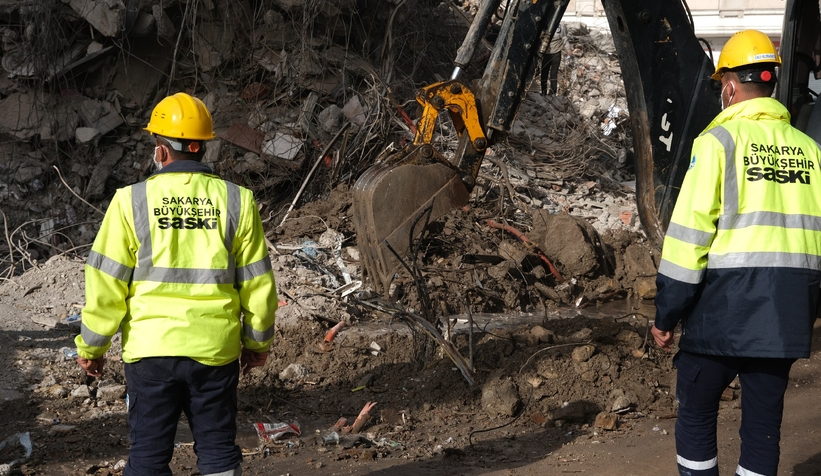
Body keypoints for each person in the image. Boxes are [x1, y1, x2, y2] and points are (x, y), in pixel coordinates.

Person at [74, 92, 278, 476]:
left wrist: (93, 346)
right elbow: (258, 284)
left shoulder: (130, 201)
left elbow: (106, 282)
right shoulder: (238, 201)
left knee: (149, 456)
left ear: (161, 151)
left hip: (150, 352)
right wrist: (256, 343)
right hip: (215, 350)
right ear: (203, 148)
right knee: (218, 450)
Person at [652, 30, 821, 476]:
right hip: (784, 320)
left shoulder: (718, 144)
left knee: (696, 414)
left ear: (729, 86)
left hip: (720, 317)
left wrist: (666, 316)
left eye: (720, 85)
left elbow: (688, 240)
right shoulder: (811, 152)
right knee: (764, 427)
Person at [539, 22, 566, 95]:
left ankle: (552, 92)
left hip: (556, 54)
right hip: (546, 54)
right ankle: (543, 92)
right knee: (544, 73)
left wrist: (569, 49)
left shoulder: (561, 27)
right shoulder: (545, 26)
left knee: (553, 74)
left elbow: (564, 39)